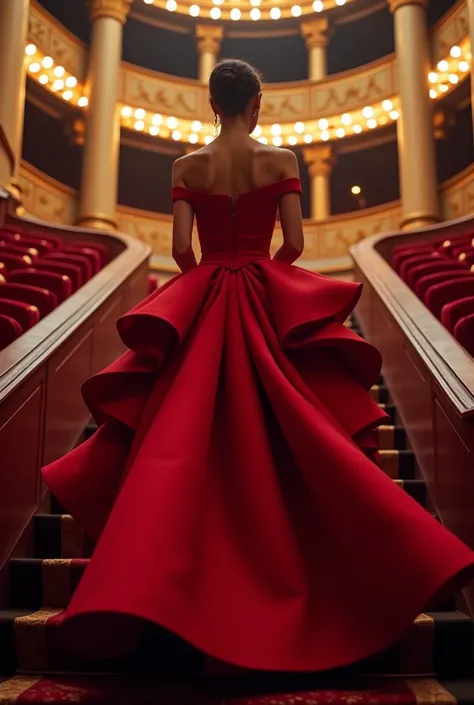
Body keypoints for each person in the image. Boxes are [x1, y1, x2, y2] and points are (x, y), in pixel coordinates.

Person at [42, 59, 474, 674]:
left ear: (211, 104)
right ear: (259, 103)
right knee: (288, 422)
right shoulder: (281, 161)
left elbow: (178, 251)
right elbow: (294, 244)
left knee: (184, 428)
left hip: (208, 289)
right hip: (261, 292)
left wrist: (210, 284)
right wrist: (261, 273)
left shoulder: (186, 166)